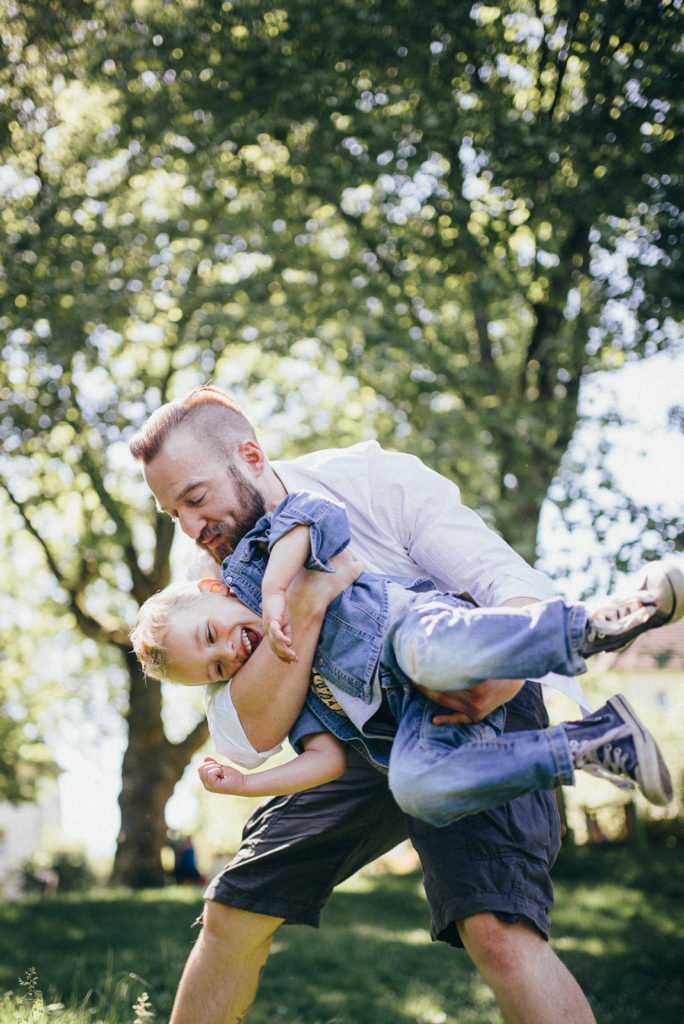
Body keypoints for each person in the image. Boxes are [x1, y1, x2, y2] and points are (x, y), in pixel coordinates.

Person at [128, 384, 608, 1024]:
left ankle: (600, 653)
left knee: (493, 924)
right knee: (234, 909)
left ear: (249, 456)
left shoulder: (367, 481)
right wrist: (305, 602)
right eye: (172, 515)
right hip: (348, 740)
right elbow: (246, 733)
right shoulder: (208, 586)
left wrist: (500, 677)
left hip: (457, 695)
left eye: (195, 499)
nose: (191, 528)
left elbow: (504, 582)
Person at [130, 489, 679, 819]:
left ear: (213, 593)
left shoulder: (252, 568)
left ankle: (599, 622)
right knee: (416, 788)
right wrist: (248, 784)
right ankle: (590, 743)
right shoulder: (281, 683)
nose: (230, 653)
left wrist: (276, 589)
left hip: (415, 629)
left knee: (424, 655)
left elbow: (315, 515)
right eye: (217, 670)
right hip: (419, 715)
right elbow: (329, 759)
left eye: (211, 637)